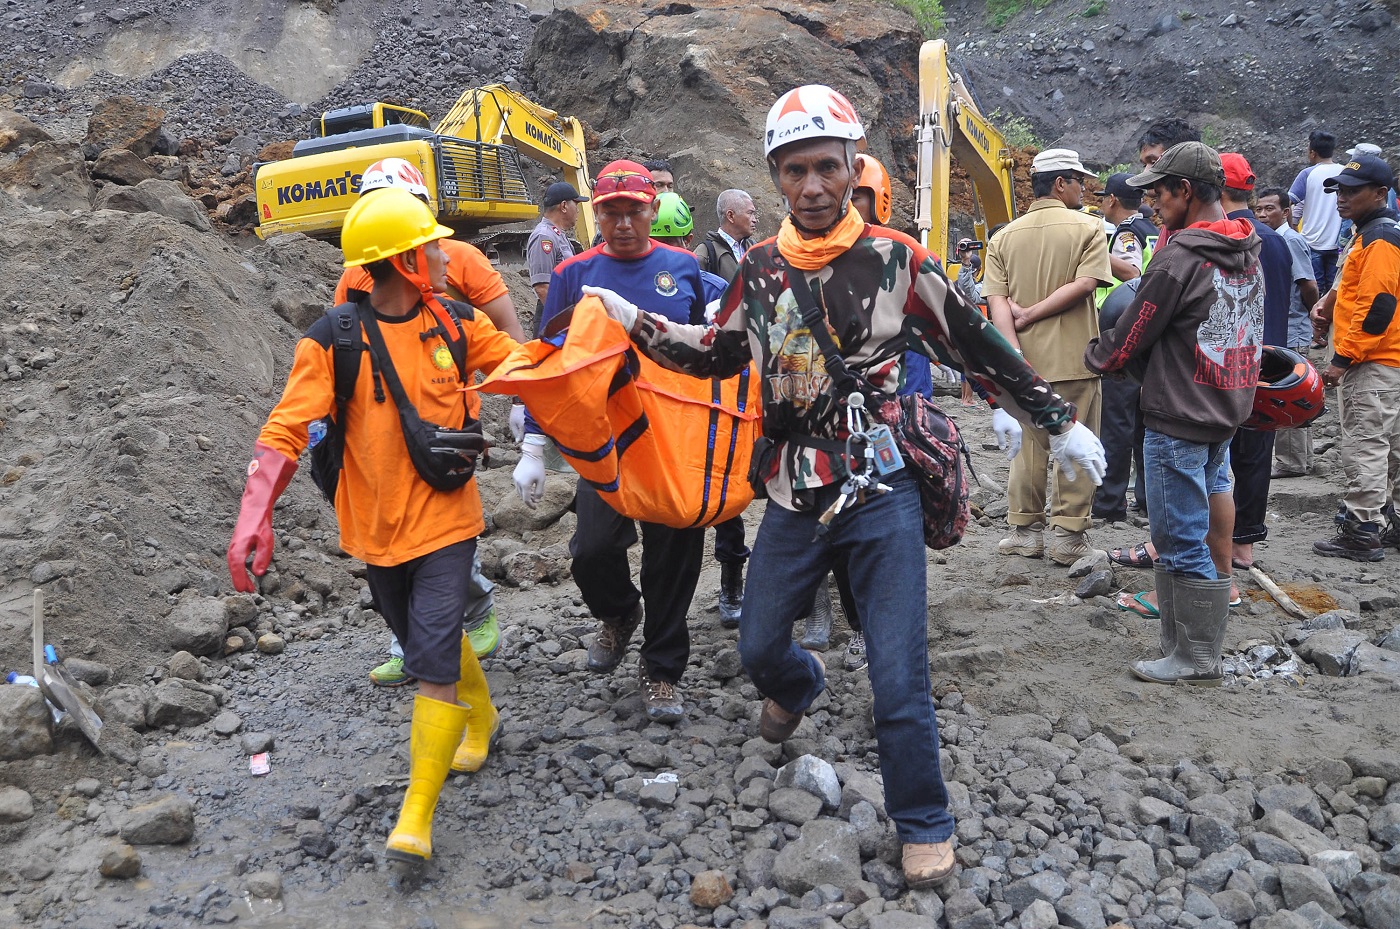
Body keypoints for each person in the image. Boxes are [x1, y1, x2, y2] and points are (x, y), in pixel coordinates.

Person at [581, 84, 1104, 888]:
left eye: (828, 166)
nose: (814, 185)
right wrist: (635, 321)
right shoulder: (757, 268)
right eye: (796, 171)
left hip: (880, 483)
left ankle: (924, 819)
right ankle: (802, 684)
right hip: (793, 490)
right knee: (759, 645)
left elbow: (973, 341)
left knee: (899, 671)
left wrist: (1055, 420)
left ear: (852, 165)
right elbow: (719, 354)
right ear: (776, 177)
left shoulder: (897, 258)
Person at [228, 188, 520, 864]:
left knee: (432, 653)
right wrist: (254, 515)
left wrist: (604, 365)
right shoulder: (332, 338)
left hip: (448, 520)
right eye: (432, 245)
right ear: (403, 260)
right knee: (425, 635)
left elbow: (522, 366)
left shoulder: (455, 323)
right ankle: (486, 718)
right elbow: (286, 428)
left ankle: (415, 817)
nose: (446, 255)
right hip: (374, 530)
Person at [515, 160, 710, 723]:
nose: (623, 223)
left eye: (634, 211)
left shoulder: (683, 268)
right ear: (594, 214)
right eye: (611, 212)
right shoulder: (573, 273)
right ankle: (620, 612)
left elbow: (710, 348)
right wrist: (532, 441)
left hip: (674, 436)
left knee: (673, 554)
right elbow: (547, 357)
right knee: (592, 551)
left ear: (652, 210)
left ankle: (662, 669)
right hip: (606, 438)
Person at [333, 158, 519, 686]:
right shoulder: (357, 276)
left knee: (440, 544)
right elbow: (348, 345)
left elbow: (505, 336)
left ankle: (444, 636)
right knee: (398, 549)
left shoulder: (462, 259)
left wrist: (532, 409)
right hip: (382, 437)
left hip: (446, 434)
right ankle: (423, 645)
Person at [1086, 142, 1264, 686]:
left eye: (1158, 192)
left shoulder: (1180, 257)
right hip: (1222, 408)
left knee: (1178, 534)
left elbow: (1134, 330)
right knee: (1204, 510)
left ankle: (1194, 655)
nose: (1152, 203)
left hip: (1177, 415)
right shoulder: (1247, 249)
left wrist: (1100, 356)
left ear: (1185, 191)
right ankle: (1186, 644)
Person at [984, 148, 1112, 565]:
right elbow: (1088, 282)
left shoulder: (1004, 236)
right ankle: (1068, 537)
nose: (1084, 188)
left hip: (1025, 366)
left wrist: (1014, 356)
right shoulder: (1089, 228)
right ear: (1061, 183)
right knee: (1075, 442)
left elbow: (996, 301)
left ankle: (1025, 531)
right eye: (1079, 180)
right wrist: (1037, 312)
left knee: (1028, 446)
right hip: (1075, 358)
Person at [1311, 154, 1400, 561]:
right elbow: (1359, 291)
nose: (1341, 198)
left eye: (1352, 191)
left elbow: (1378, 305)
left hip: (1373, 362)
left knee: (1366, 443)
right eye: (1339, 190)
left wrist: (1342, 359)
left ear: (1380, 193)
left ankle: (1363, 530)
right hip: (1388, 361)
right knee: (1391, 446)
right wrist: (1328, 304)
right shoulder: (1371, 233)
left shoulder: (1379, 237)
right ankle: (1387, 521)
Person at [1220, 153, 1299, 570]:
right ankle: (1244, 545)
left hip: (1232, 360)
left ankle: (1210, 542)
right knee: (1254, 454)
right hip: (1272, 361)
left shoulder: (1229, 235)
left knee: (1211, 453)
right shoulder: (1277, 239)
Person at [1093, 173, 1159, 523]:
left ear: (1112, 200)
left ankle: (1109, 503)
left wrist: (1091, 259)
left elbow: (1132, 273)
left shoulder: (1128, 231)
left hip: (1122, 334)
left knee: (1117, 423)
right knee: (1143, 426)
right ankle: (1148, 501)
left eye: (1104, 197)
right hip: (1146, 335)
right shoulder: (1153, 228)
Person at [1254, 187, 1321, 478]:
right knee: (1298, 392)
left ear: (1286, 212)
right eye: (1258, 209)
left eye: (1269, 209)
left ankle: (1291, 461)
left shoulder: (1289, 240)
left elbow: (1309, 285)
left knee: (1288, 391)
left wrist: (1312, 318)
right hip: (1290, 325)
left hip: (1293, 327)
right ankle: (1301, 459)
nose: (1262, 214)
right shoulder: (1276, 239)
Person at [1289, 130, 1345, 292]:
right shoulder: (1345, 172)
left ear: (1312, 153)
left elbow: (1287, 204)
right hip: (1337, 243)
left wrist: (1293, 231)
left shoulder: (1307, 173)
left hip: (1311, 243)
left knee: (1314, 289)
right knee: (1335, 289)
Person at [526, 181, 589, 310]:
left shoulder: (557, 235)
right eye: (576, 204)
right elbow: (542, 287)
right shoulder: (544, 236)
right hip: (553, 312)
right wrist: (563, 319)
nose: (578, 210)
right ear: (564, 206)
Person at [695, 189, 758, 283]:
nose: (755, 220)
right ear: (730, 216)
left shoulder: (755, 248)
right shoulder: (705, 254)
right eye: (750, 213)